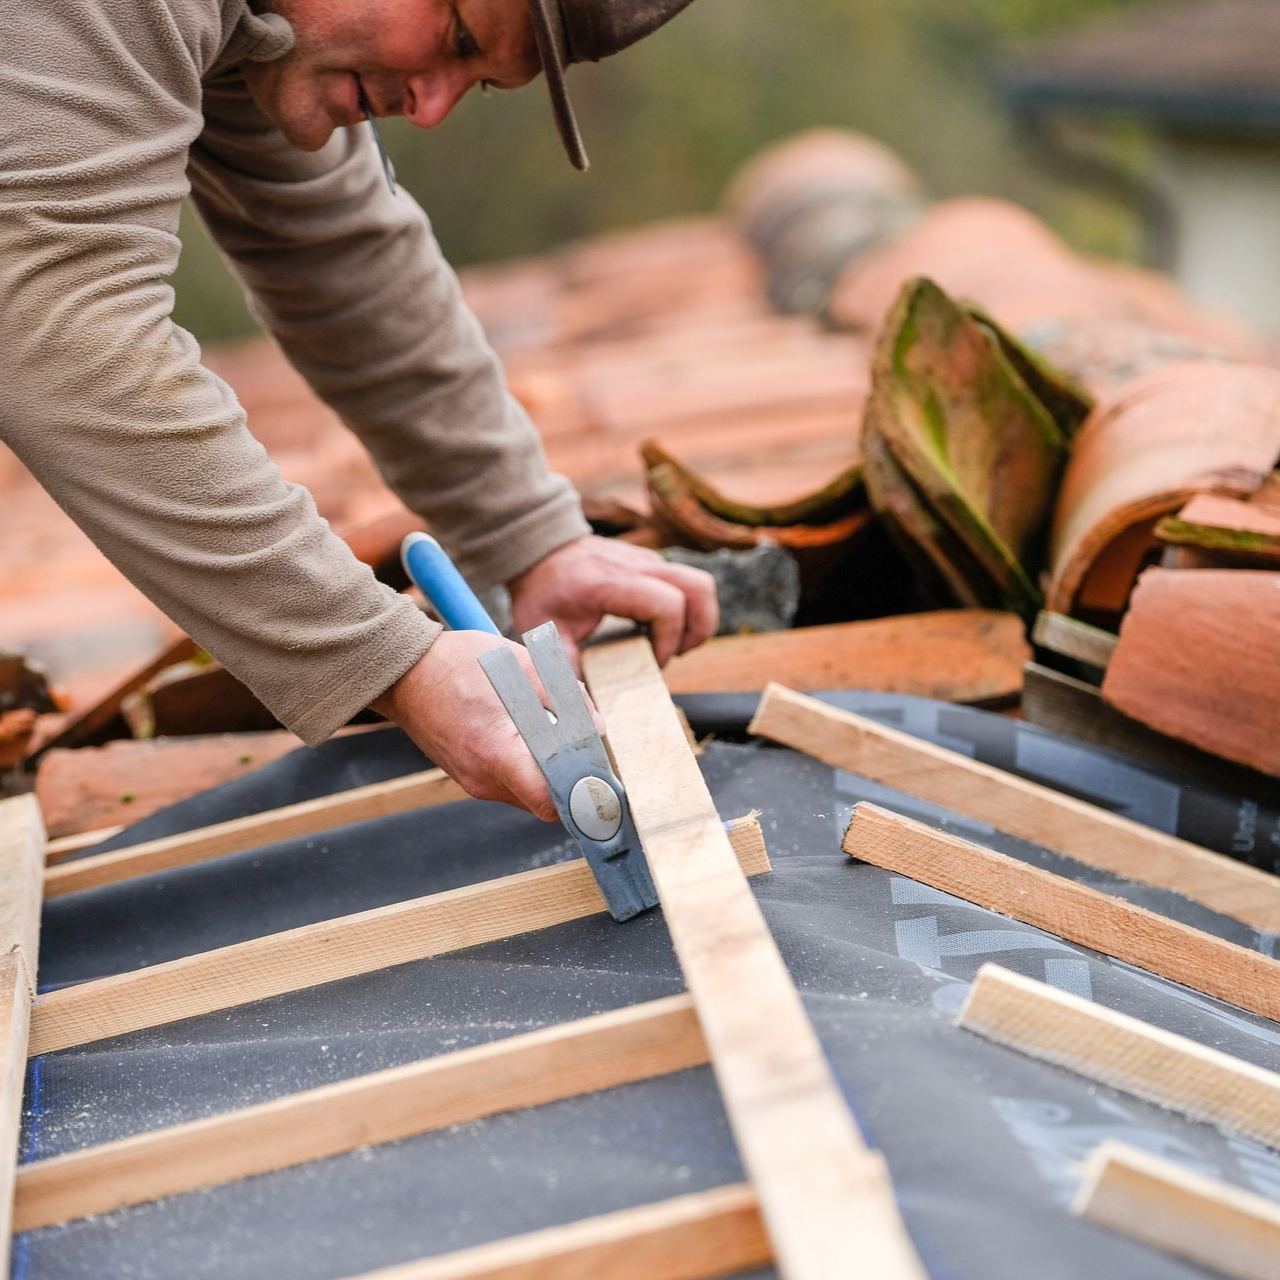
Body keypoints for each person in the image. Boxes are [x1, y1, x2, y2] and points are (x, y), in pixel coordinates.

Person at [0, 0, 718, 820]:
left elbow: (338, 252)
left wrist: (530, 536)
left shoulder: (279, 26)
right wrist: (388, 662)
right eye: (456, 42)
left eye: (475, 83)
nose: (435, 108)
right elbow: (57, 320)